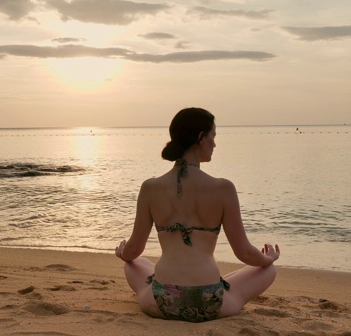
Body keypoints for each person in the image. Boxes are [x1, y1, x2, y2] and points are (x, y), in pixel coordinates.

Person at [115, 107, 280, 322]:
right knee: (269, 270)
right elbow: (245, 254)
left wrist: (123, 253)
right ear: (201, 137)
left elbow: (134, 250)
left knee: (135, 264)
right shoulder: (223, 188)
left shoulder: (150, 187)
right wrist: (268, 259)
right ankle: (224, 283)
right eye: (213, 136)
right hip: (210, 303)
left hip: (161, 301)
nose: (214, 144)